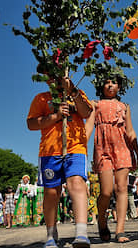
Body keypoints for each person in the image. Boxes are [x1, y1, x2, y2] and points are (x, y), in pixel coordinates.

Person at [27, 73, 93, 248]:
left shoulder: (77, 93)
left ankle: (81, 232)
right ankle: (51, 234)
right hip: (50, 151)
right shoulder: (41, 98)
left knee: (77, 184)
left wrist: (72, 90)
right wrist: (55, 116)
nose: (55, 80)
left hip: (76, 148)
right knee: (51, 192)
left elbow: (86, 112)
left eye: (59, 76)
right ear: (46, 79)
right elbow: (32, 124)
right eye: (51, 76)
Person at [85, 74, 138, 243]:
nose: (110, 85)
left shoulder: (124, 106)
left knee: (122, 188)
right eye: (107, 82)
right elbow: (87, 124)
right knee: (106, 191)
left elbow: (130, 131)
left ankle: (120, 230)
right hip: (102, 148)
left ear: (119, 87)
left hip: (123, 147)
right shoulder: (95, 104)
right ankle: (102, 221)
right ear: (101, 86)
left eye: (114, 82)